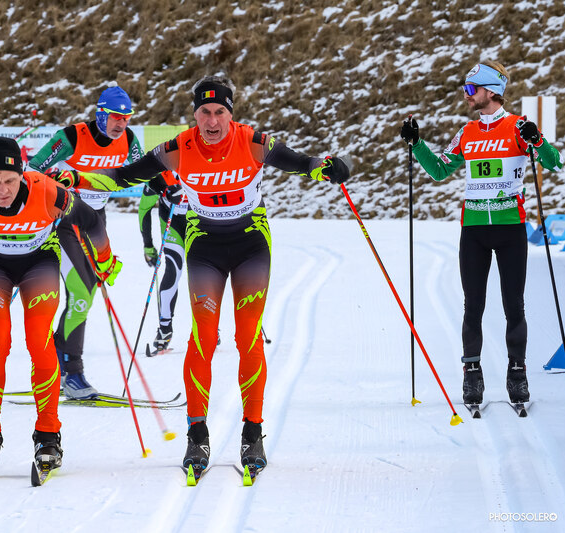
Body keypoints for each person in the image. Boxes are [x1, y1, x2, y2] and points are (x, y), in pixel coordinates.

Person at [50, 75, 350, 475]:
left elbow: (298, 162)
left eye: (219, 112)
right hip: (205, 244)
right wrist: (78, 178)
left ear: (230, 113)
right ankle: (197, 434)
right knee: (204, 336)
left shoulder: (252, 141)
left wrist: (325, 168)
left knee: (247, 336)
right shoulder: (177, 149)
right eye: (204, 112)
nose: (212, 121)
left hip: (250, 243)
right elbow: (123, 177)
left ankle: (252, 433)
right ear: (195, 115)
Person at [0, 137, 121, 482]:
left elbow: (91, 221)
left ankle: (48, 435)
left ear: (21, 175)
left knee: (38, 340)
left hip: (39, 261)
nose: (2, 189)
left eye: (10, 180)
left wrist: (104, 259)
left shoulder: (46, 191)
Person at [400, 60, 563, 406]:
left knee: (513, 305)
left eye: (471, 89)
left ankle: (517, 372)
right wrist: (417, 144)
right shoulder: (467, 132)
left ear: (492, 91)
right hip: (473, 229)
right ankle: (472, 373)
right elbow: (440, 170)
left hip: (510, 228)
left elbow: (553, 162)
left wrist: (538, 140)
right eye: (466, 88)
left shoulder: (518, 127)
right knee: (472, 305)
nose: (466, 94)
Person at [28, 85, 144, 399]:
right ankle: (72, 372)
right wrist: (52, 185)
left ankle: (52, 363)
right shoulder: (72, 137)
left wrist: (169, 186)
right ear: (100, 113)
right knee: (80, 293)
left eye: (126, 118)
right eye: (116, 117)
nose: (121, 123)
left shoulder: (129, 141)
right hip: (64, 220)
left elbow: (141, 172)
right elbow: (32, 170)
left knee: (88, 291)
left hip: (95, 220)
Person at [137, 170, 189, 355]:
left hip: (198, 220)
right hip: (172, 220)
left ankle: (208, 327)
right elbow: (144, 209)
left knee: (202, 272)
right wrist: (148, 245)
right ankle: (165, 329)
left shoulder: (203, 165)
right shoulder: (160, 171)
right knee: (173, 269)